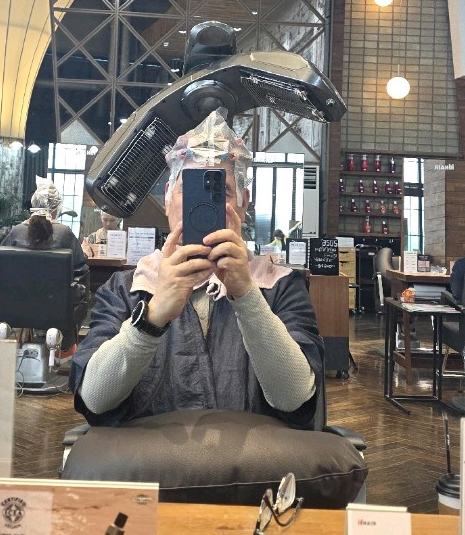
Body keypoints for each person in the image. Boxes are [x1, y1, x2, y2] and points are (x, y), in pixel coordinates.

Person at [70, 111, 323, 428]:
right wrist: (152, 316)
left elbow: (295, 398)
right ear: (168, 199)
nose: (202, 205)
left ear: (244, 202)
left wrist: (247, 295)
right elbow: (94, 399)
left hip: (254, 460)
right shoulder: (127, 289)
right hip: (149, 460)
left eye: (221, 191)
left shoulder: (281, 286)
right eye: (189, 190)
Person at [4, 182, 89, 353]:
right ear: (57, 208)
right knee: (82, 289)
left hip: (18, 302)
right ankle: (65, 346)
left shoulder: (17, 231)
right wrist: (85, 252)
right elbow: (80, 266)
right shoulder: (64, 233)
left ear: (33, 205)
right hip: (56, 304)